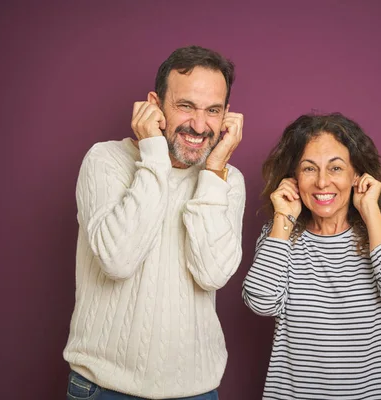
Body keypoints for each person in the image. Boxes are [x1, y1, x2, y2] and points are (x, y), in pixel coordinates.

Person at [63, 45, 245, 400]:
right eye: (185, 106)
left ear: (226, 116)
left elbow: (212, 274)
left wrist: (213, 172)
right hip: (103, 389)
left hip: (196, 391)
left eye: (213, 110)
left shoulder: (226, 178)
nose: (199, 124)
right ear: (154, 104)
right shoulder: (105, 161)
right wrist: (153, 154)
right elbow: (118, 260)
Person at [243, 113, 381, 399]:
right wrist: (282, 219)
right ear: (294, 179)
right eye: (309, 169)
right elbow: (262, 303)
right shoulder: (278, 234)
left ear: (357, 175)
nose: (322, 182)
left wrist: (371, 210)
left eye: (336, 168)